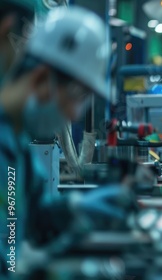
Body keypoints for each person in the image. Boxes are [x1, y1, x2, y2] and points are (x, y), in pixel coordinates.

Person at [0, 6, 127, 277]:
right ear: (43, 77)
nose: (73, 114)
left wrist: (75, 208)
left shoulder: (18, 146)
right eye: (76, 95)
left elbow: (32, 221)